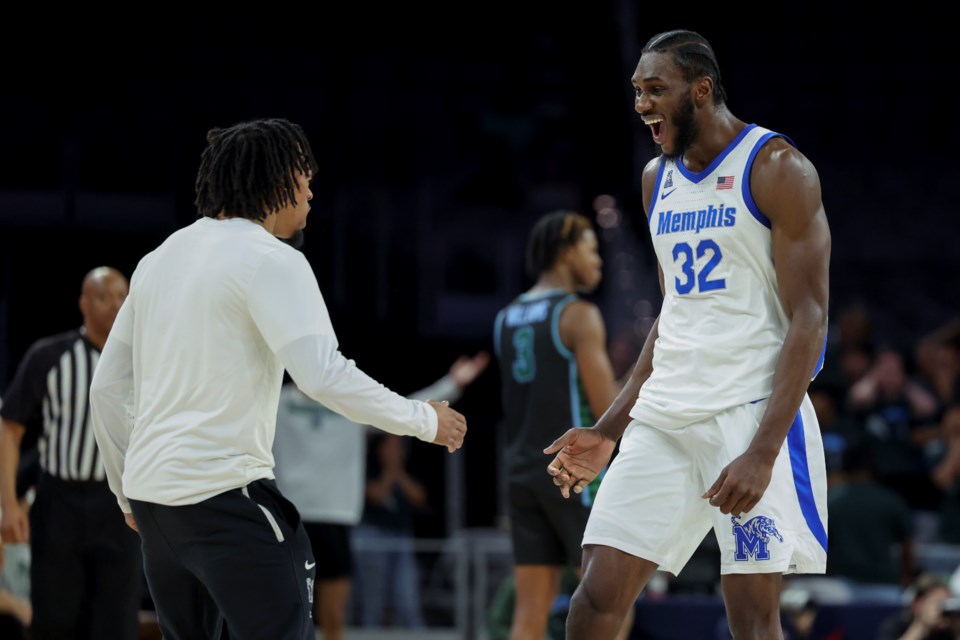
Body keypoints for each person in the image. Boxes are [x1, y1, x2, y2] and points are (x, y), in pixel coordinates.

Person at [89, 117, 468, 639]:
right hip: (226, 497)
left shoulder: (159, 258)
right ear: (275, 180)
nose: (312, 191)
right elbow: (323, 375)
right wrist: (425, 419)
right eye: (305, 177)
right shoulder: (272, 259)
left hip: (155, 506)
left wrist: (126, 494)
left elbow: (106, 389)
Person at [544, 29, 831, 639]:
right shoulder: (657, 180)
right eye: (637, 91)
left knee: (752, 619)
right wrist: (609, 429)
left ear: (700, 91)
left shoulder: (778, 167)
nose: (642, 103)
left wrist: (763, 449)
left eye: (656, 89)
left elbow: (810, 316)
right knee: (594, 599)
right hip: (667, 415)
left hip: (750, 413)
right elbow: (675, 311)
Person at [272, 351, 489, 639]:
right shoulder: (276, 402)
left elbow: (402, 408)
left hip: (335, 518)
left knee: (334, 616)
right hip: (289, 519)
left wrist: (453, 383)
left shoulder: (346, 404)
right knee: (285, 614)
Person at [494, 210, 627, 640]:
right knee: (613, 606)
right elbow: (608, 407)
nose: (598, 262)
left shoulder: (505, 317)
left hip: (521, 471)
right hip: (574, 473)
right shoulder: (578, 314)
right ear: (566, 253)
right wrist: (651, 373)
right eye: (591, 250)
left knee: (528, 614)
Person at [0, 266, 141, 640]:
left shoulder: (142, 363)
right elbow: (10, 427)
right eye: (104, 296)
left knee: (117, 619)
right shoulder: (49, 356)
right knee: (53, 618)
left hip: (120, 506)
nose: (115, 305)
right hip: (58, 500)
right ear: (83, 303)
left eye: (121, 297)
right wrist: (9, 505)